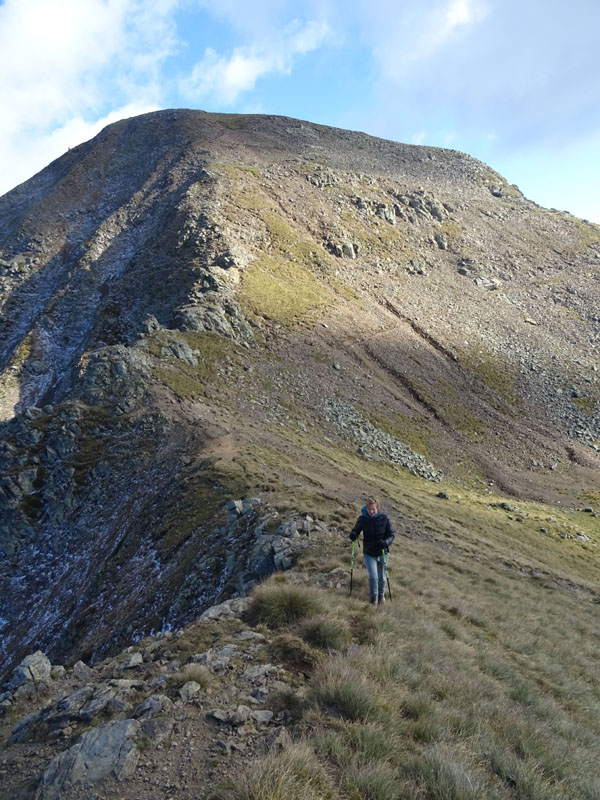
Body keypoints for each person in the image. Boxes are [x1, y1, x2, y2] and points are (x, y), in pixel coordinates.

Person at [349, 497, 395, 605]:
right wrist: (353, 535)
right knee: (374, 577)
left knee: (382, 577)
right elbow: (355, 530)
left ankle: (381, 596)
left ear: (377, 508)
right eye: (369, 509)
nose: (371, 511)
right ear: (366, 508)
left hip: (383, 552)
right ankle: (374, 599)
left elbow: (391, 534)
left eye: (373, 509)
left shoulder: (384, 518)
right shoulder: (362, 519)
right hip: (369, 553)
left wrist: (386, 542)